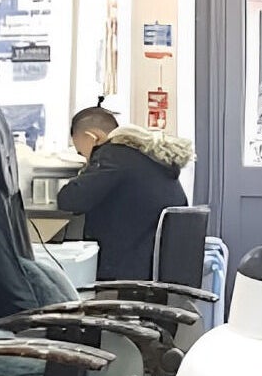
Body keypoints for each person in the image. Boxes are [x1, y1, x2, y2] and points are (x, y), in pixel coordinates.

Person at [57, 103, 194, 282]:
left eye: (82, 152)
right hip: (159, 265)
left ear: (92, 137)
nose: (86, 158)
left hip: (130, 271)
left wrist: (84, 173)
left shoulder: (112, 155)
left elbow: (71, 200)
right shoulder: (145, 156)